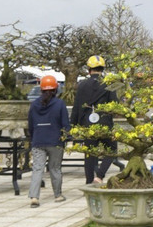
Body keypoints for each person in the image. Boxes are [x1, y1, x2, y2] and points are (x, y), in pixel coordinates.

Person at [71, 55, 117, 186]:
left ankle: (89, 181)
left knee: (89, 153)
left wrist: (73, 125)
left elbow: (76, 106)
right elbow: (114, 104)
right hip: (105, 123)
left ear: (88, 69)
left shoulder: (82, 85)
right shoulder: (109, 84)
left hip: (88, 124)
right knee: (112, 150)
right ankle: (100, 175)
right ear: (102, 68)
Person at [28, 75, 69, 207]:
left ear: (41, 89)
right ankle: (57, 195)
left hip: (38, 140)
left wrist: (33, 137)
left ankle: (34, 197)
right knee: (55, 168)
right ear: (56, 89)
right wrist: (66, 138)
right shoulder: (60, 104)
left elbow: (30, 125)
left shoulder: (34, 105)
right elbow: (65, 124)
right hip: (55, 141)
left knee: (37, 169)